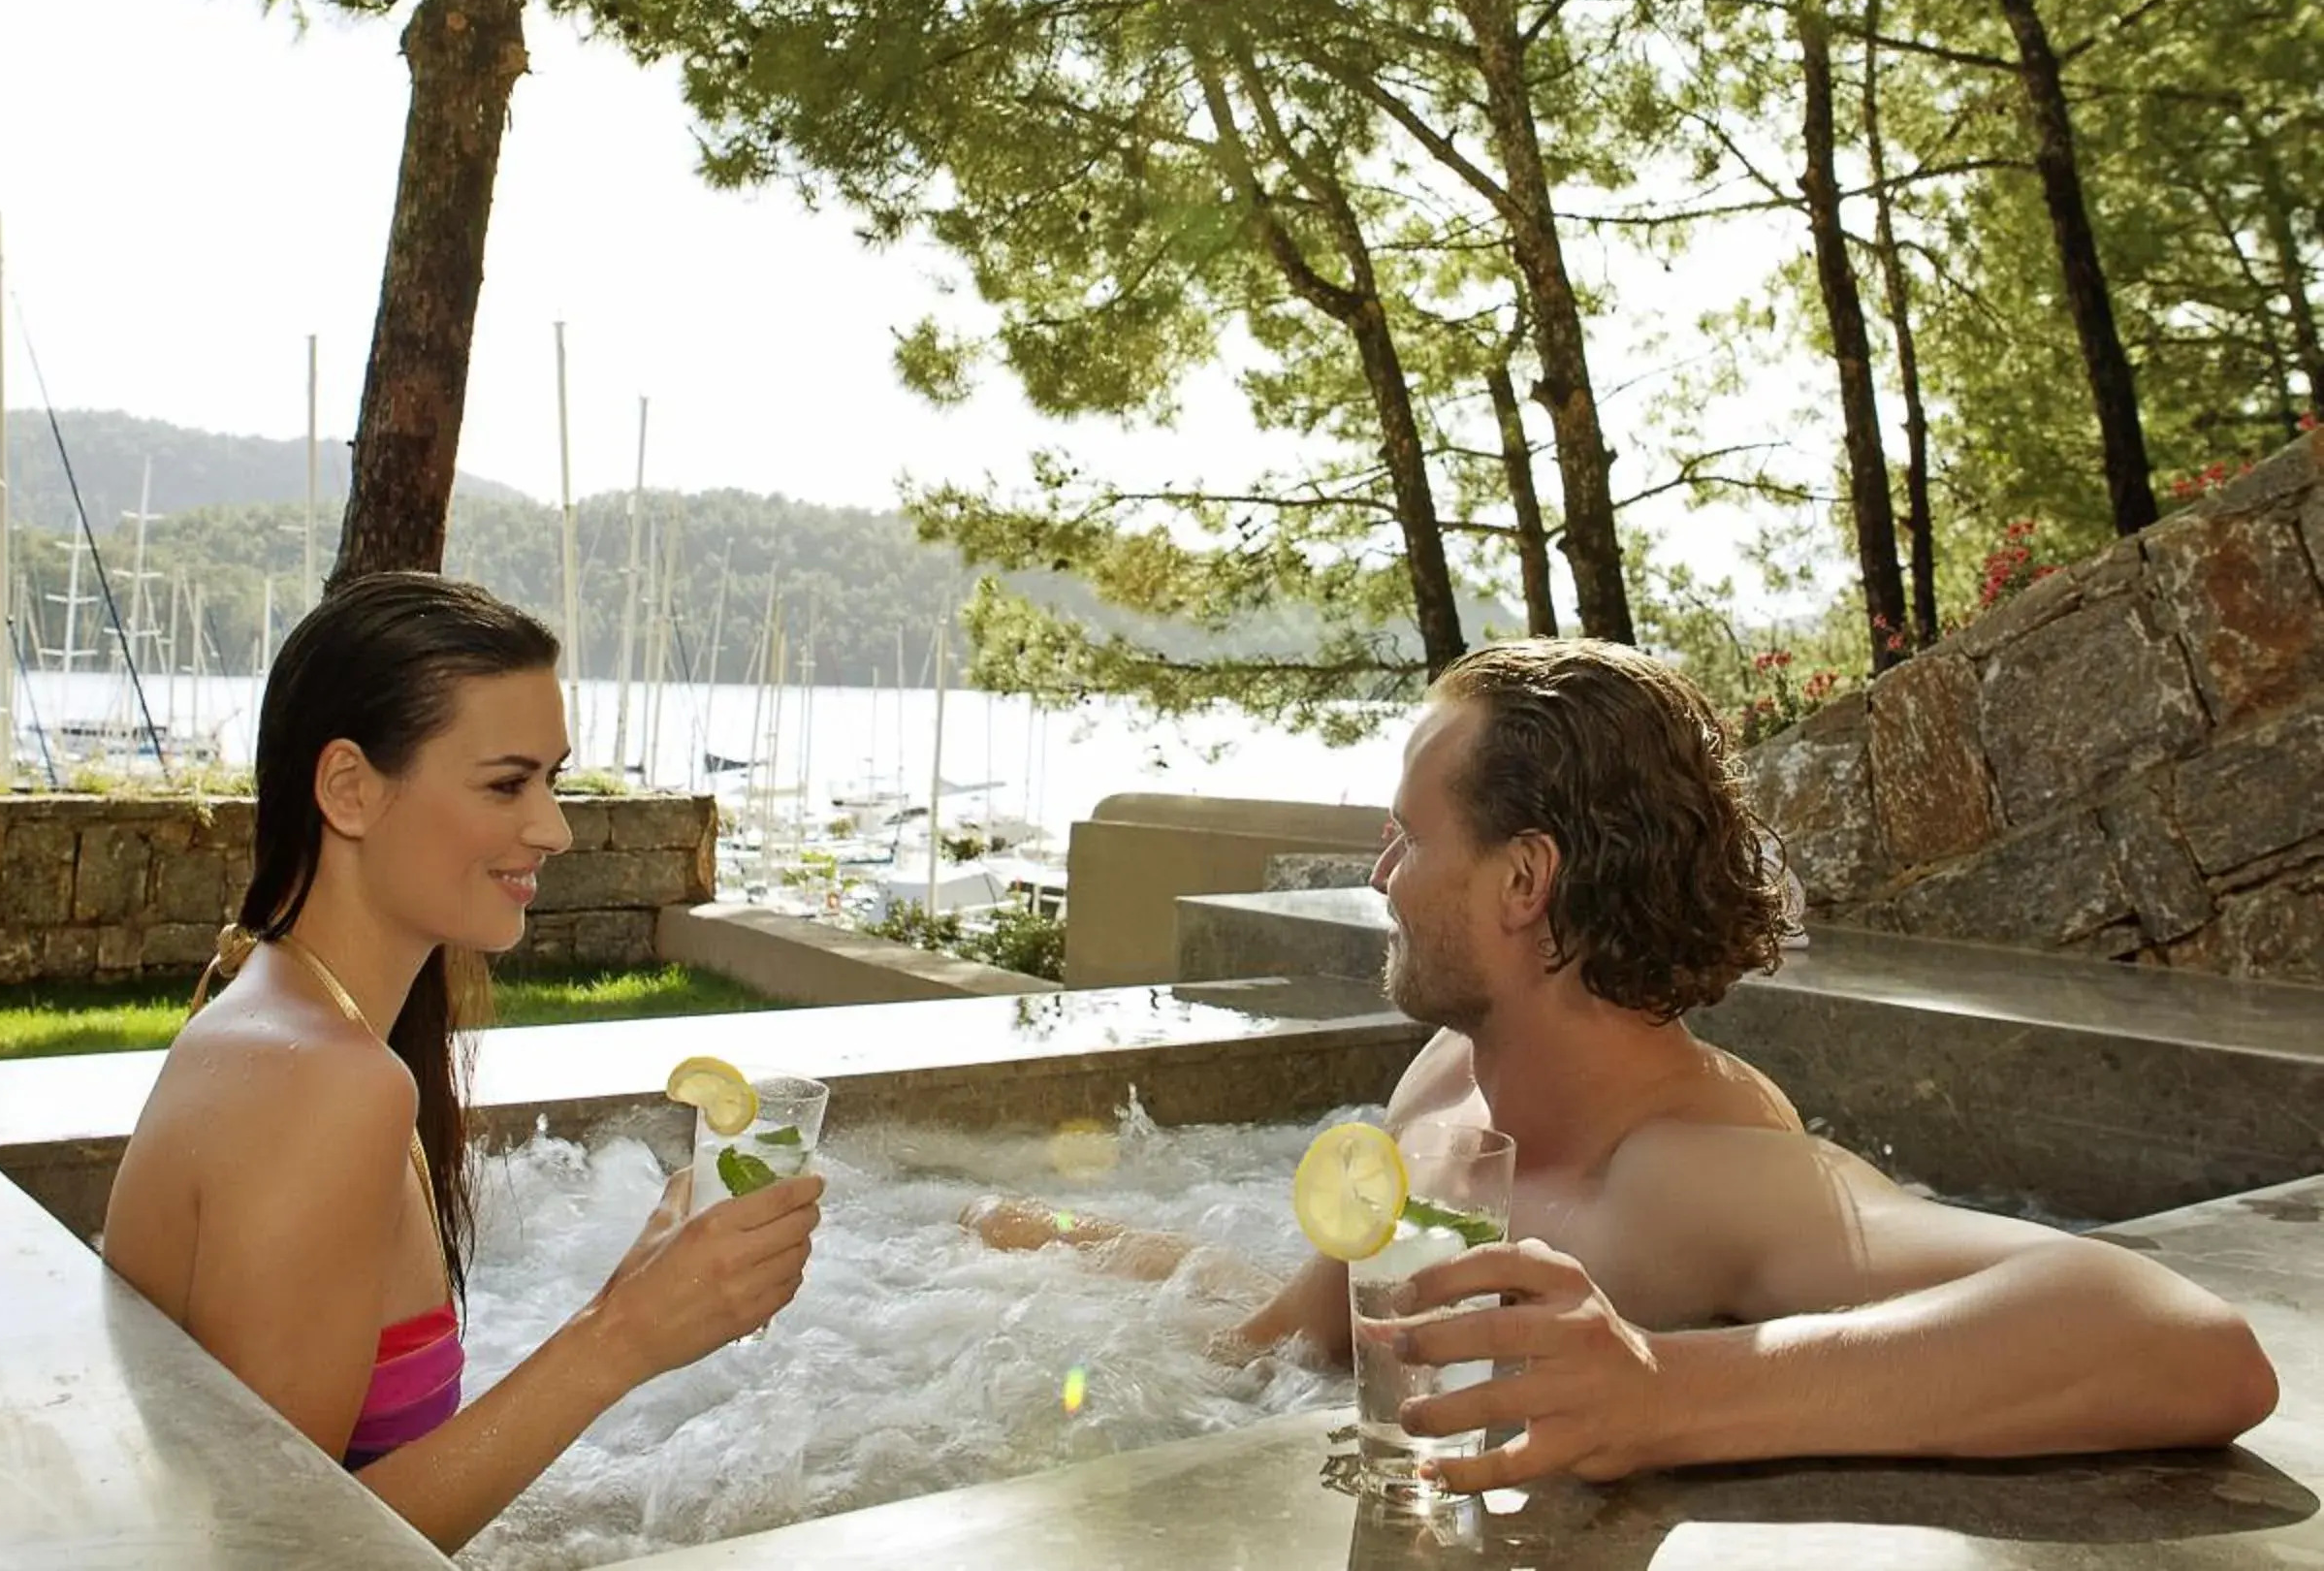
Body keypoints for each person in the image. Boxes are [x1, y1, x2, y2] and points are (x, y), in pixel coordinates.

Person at [973, 638, 2278, 1490]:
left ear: (1524, 879)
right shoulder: (1442, 1084)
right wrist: (1041, 1233)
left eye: (1404, 838)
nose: (1377, 878)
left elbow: (2187, 1341)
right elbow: (1292, 1332)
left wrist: (1670, 1391)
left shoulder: (1694, 1175)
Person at [103, 572, 820, 1552]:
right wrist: (624, 1336)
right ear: (349, 790)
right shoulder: (326, 1083)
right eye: (505, 783)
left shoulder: (268, 1008)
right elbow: (287, 1547)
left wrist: (636, 1298)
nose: (553, 828)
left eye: (552, 780)